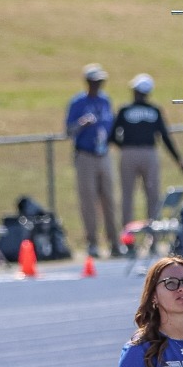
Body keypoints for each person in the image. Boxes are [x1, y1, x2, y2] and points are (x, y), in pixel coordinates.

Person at [113, 74, 183, 230]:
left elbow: (112, 135)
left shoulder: (125, 109)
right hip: (149, 153)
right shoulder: (154, 111)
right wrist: (179, 160)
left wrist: (125, 146)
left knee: (128, 195)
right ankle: (152, 237)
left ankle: (128, 237)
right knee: (152, 194)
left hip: (129, 153)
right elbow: (164, 137)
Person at [66, 63, 117, 258]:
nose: (98, 85)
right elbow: (68, 130)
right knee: (88, 200)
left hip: (103, 153)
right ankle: (92, 242)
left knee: (109, 199)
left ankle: (114, 241)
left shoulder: (105, 101)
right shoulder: (78, 102)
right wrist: (82, 124)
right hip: (85, 155)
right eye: (95, 82)